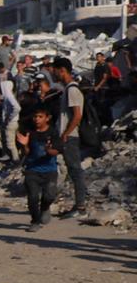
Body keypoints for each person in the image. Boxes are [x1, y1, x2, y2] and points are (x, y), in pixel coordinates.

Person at [49, 57, 88, 218]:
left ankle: (80, 207)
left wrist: (65, 133)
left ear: (62, 70)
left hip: (70, 137)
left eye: (55, 70)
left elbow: (77, 115)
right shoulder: (67, 90)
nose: (53, 73)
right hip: (67, 136)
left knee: (75, 171)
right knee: (70, 170)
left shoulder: (72, 90)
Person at [17, 107, 60, 233]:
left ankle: (45, 208)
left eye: (40, 117)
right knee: (33, 197)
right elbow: (27, 153)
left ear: (47, 118)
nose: (37, 119)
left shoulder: (53, 133)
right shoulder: (30, 132)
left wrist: (48, 150)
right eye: (35, 116)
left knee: (50, 195)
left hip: (49, 170)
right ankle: (35, 221)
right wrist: (24, 144)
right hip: (32, 169)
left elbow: (56, 151)